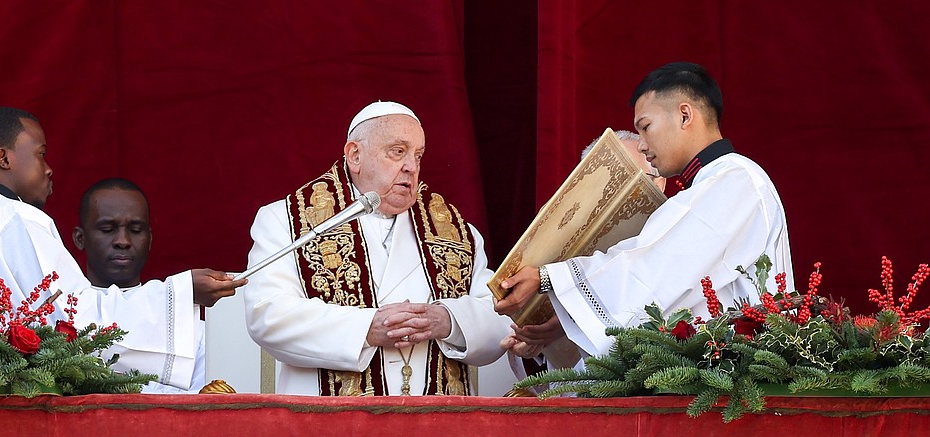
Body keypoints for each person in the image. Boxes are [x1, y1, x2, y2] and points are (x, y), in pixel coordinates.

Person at [0, 107, 243, 390]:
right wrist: (183, 291)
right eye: (40, 154)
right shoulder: (16, 218)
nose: (49, 168)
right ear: (5, 158)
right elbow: (77, 320)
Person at [495, 63, 794, 359]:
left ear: (685, 115)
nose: (642, 145)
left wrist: (547, 277)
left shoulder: (735, 180)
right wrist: (566, 319)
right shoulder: (712, 185)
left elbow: (655, 267)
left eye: (646, 127)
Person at [244, 101, 510, 396]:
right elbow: (267, 313)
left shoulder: (457, 233)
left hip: (436, 429)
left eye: (418, 155)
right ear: (355, 156)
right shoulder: (288, 221)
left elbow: (500, 316)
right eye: (398, 152)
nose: (411, 166)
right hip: (330, 431)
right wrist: (366, 328)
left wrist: (450, 321)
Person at [502, 131, 664, 369]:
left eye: (631, 181)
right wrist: (536, 343)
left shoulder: (673, 238)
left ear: (659, 184)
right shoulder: (561, 231)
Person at [72, 177, 205, 391]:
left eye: (135, 230)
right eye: (107, 229)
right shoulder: (56, 319)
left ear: (149, 239)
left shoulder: (192, 331)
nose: (123, 241)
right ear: (80, 238)